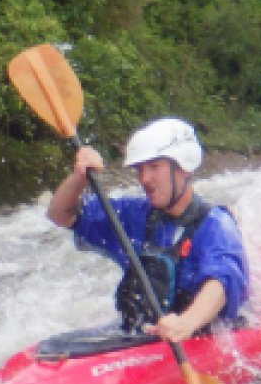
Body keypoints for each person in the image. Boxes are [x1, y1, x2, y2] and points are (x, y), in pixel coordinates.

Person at [46, 117, 250, 342]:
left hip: (197, 337)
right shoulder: (135, 215)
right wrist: (79, 177)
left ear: (183, 167)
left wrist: (187, 323)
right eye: (140, 169)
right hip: (142, 338)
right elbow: (61, 215)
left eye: (154, 167)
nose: (144, 179)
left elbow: (221, 282)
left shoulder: (216, 224)